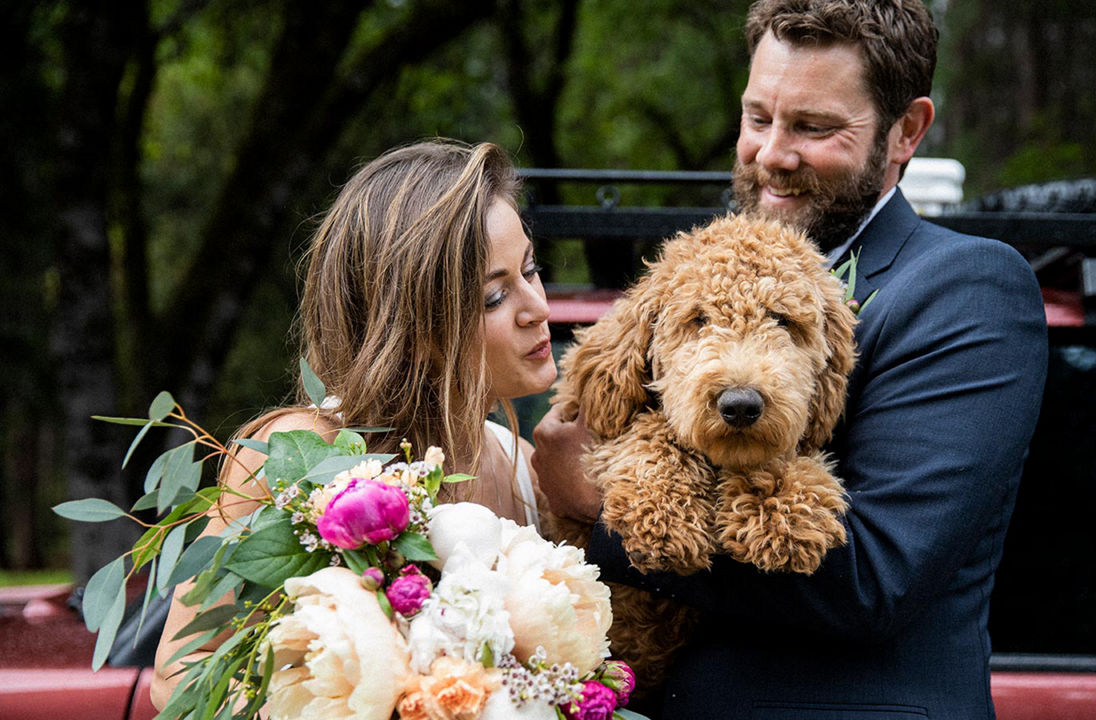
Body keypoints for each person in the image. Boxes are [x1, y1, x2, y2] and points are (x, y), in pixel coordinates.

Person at [532, 1, 1049, 718]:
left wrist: (598, 507)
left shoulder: (967, 288)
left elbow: (878, 578)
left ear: (907, 131)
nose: (773, 153)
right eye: (758, 118)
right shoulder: (698, 274)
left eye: (814, 127)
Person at [150, 139, 557, 709]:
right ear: (413, 322)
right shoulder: (298, 455)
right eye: (493, 295)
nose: (537, 306)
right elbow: (180, 677)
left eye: (531, 270)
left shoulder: (525, 469)